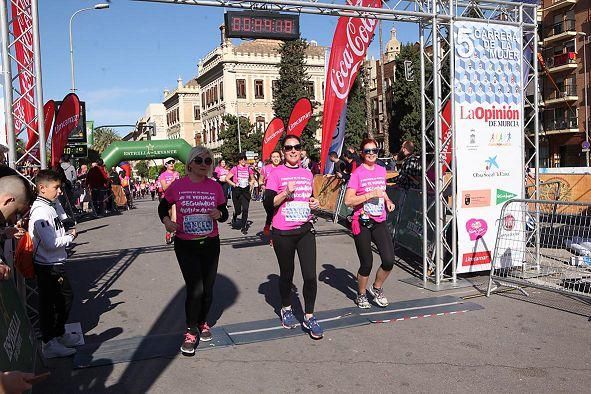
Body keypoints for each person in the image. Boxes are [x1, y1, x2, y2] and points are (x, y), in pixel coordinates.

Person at [158, 146, 228, 356]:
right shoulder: (178, 186)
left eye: (208, 161)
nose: (204, 164)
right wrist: (167, 222)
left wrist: (219, 214)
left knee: (208, 290)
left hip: (210, 243)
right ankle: (190, 331)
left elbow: (224, 213)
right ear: (189, 163)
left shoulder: (215, 187)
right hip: (185, 244)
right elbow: (163, 207)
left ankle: (203, 321)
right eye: (199, 160)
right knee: (195, 289)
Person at [263, 135, 323, 339]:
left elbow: (311, 198)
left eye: (296, 147)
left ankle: (309, 316)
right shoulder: (276, 173)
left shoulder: (307, 173)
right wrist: (285, 192)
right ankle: (286, 308)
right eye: (289, 148)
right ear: (283, 150)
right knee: (287, 274)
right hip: (283, 233)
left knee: (309, 276)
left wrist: (315, 203)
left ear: (300, 149)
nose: (293, 150)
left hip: (305, 230)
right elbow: (269, 203)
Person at [29, 170, 80, 358]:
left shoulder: (50, 205)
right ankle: (49, 343)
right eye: (56, 187)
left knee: (61, 300)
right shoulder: (41, 211)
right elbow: (50, 244)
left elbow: (59, 227)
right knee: (54, 303)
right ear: (42, 188)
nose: (59, 191)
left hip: (54, 263)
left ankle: (57, 335)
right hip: (48, 265)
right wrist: (70, 237)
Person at [344, 138, 396, 309]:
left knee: (388, 260)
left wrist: (387, 200)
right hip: (362, 221)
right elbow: (348, 201)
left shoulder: (381, 170)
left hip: (379, 220)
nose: (372, 153)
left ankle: (377, 288)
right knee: (367, 263)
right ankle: (361, 294)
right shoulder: (357, 174)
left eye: (374, 150)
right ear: (362, 153)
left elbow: (382, 190)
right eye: (368, 151)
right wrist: (368, 195)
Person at [226, 153, 254, 235]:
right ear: (239, 160)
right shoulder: (235, 169)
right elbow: (227, 178)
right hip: (237, 191)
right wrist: (234, 184)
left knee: (245, 209)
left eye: (244, 159)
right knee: (238, 211)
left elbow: (252, 179)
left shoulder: (249, 169)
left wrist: (251, 183)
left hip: (245, 190)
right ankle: (235, 215)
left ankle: (244, 227)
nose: (243, 161)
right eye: (241, 159)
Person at [260, 151, 282, 237]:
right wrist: (262, 185)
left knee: (277, 216)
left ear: (280, 158)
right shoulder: (265, 168)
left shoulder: (283, 168)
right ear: (271, 158)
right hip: (268, 196)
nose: (276, 158)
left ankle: (274, 235)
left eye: (277, 157)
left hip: (280, 196)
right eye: (274, 157)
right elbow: (260, 180)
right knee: (271, 214)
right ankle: (268, 225)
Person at [158, 158, 180, 244]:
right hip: (166, 199)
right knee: (169, 218)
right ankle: (168, 232)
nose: (172, 164)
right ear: (166, 165)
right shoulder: (163, 175)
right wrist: (172, 180)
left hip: (176, 198)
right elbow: (164, 188)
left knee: (175, 217)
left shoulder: (177, 173)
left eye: (173, 162)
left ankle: (177, 233)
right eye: (169, 162)